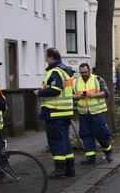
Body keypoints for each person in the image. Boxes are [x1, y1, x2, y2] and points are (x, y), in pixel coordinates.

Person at [36, 48, 77, 179]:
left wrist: (39, 92)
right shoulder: (65, 71)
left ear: (52, 58)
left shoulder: (55, 71)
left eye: (46, 57)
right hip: (65, 112)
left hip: (55, 112)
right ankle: (70, 169)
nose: (45, 60)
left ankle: (59, 170)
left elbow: (55, 89)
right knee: (65, 140)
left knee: (56, 141)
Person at [73, 63, 114, 165]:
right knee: (86, 135)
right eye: (82, 72)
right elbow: (71, 95)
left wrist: (94, 95)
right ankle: (90, 158)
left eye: (86, 72)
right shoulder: (76, 82)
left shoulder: (98, 79)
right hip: (84, 114)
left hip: (97, 113)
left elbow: (106, 93)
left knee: (102, 134)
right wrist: (79, 97)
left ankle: (108, 152)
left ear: (89, 70)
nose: (84, 74)